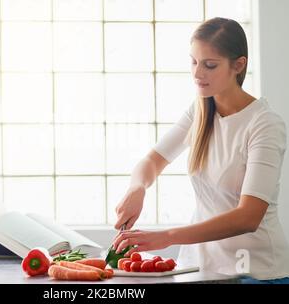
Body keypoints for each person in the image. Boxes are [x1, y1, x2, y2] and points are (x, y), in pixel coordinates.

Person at [111, 17, 289, 283]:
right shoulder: (200, 111)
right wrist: (137, 188)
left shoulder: (264, 124)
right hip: (202, 269)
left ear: (238, 65)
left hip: (256, 272)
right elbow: (152, 161)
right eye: (193, 62)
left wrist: (167, 237)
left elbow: (248, 216)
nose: (197, 73)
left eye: (210, 65)